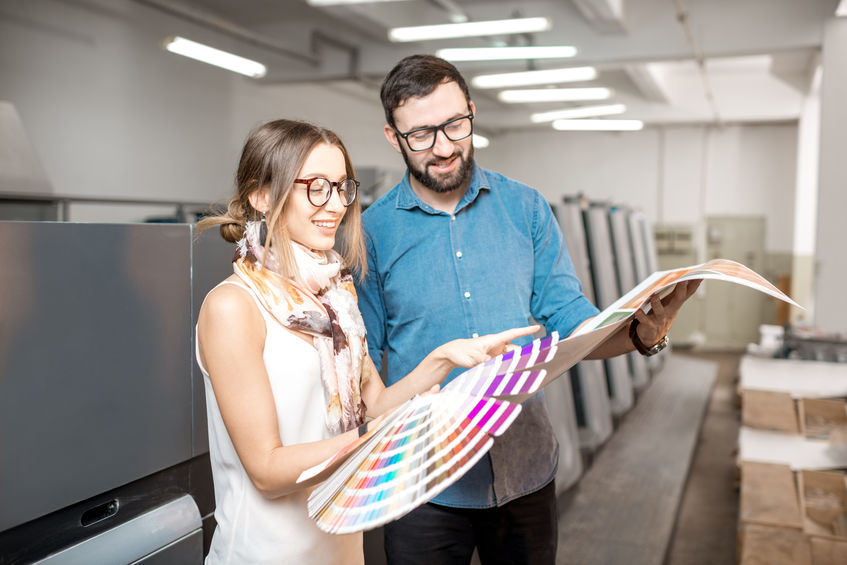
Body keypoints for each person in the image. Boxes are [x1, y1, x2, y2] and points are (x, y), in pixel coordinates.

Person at [355, 55, 701, 565]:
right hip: (422, 483)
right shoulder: (370, 235)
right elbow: (362, 377)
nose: (445, 147)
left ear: (472, 111)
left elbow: (573, 325)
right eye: (421, 135)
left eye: (455, 124)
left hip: (525, 470)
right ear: (393, 137)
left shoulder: (527, 209)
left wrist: (641, 335)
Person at [195, 119, 538, 564]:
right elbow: (267, 470)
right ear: (262, 195)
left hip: (340, 547)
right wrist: (380, 436)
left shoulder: (335, 297)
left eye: (341, 187)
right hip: (265, 553)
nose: (335, 204)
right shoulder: (232, 307)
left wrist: (443, 359)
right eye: (316, 187)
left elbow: (374, 404)